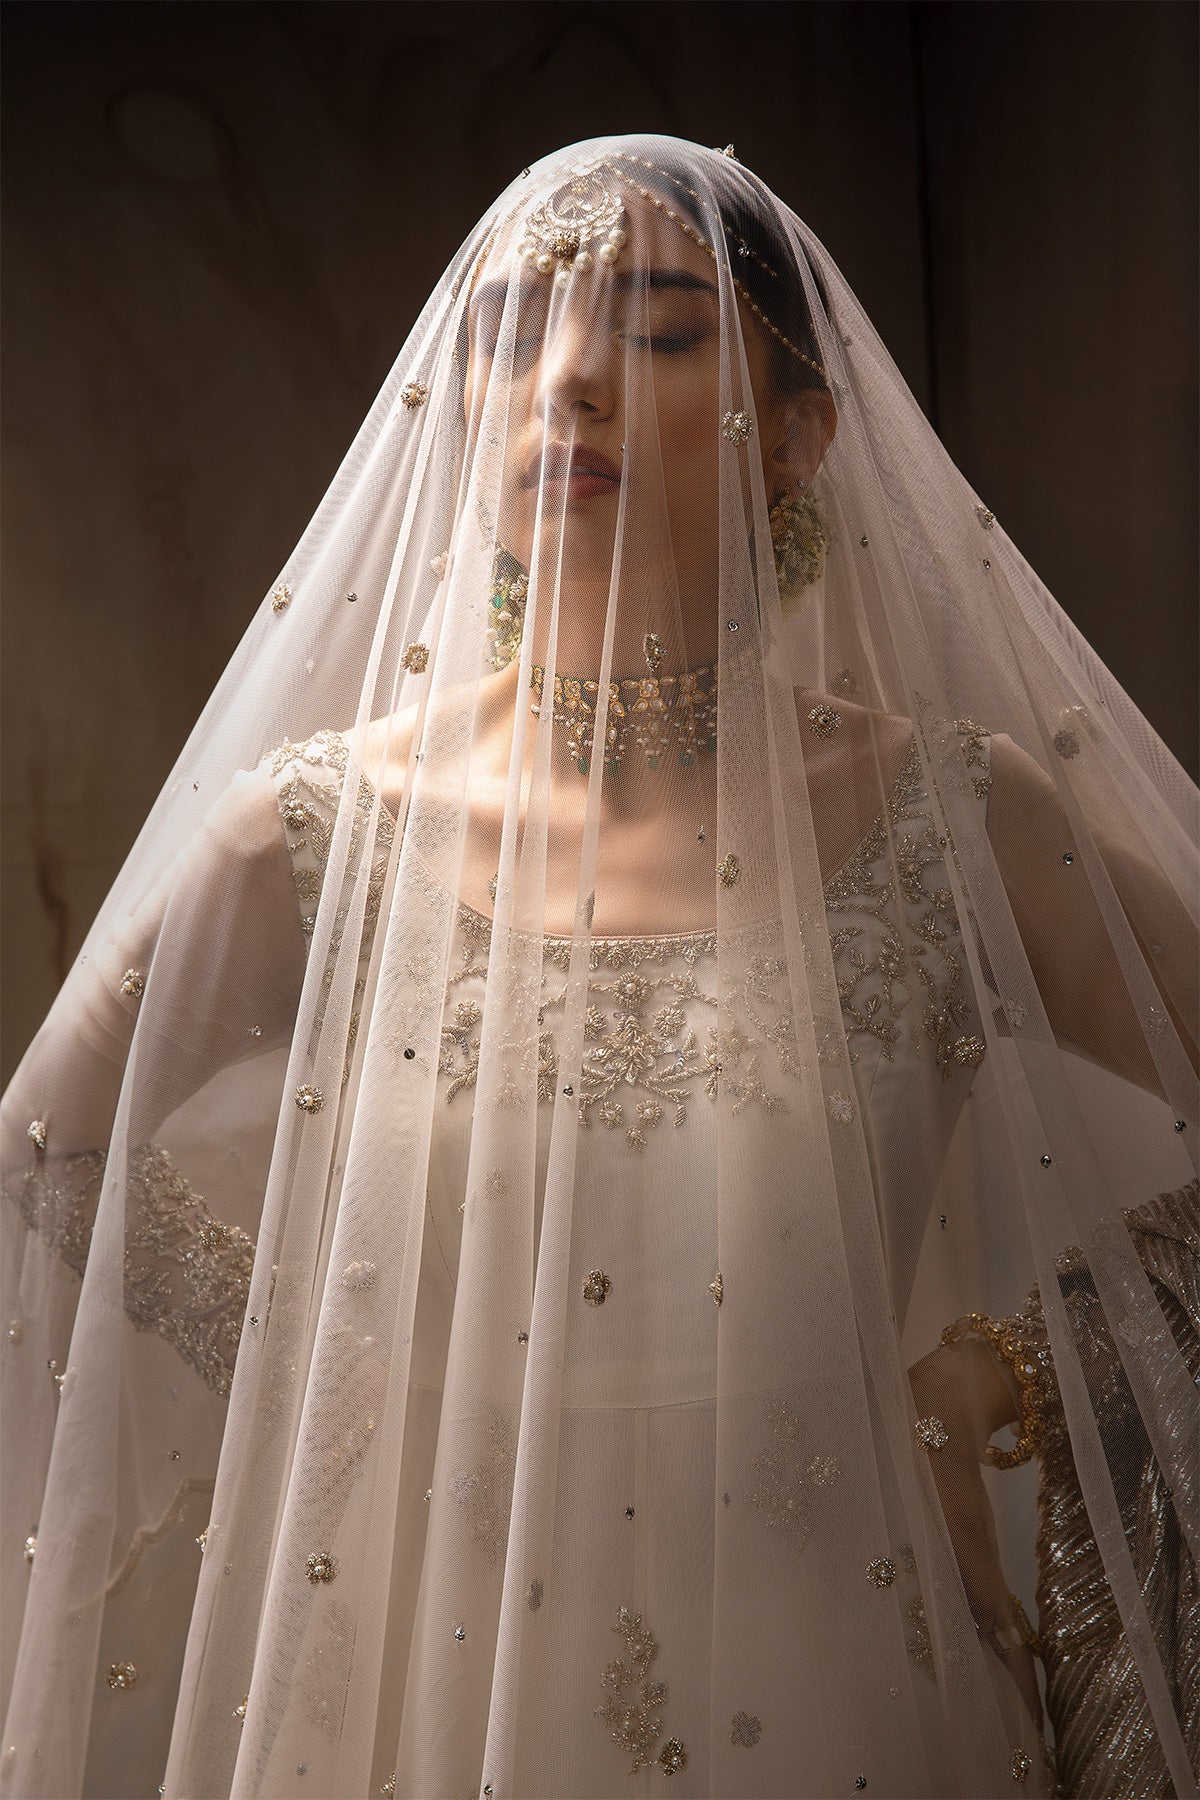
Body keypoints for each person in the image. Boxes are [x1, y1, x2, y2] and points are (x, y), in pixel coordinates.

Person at [1, 132, 1196, 1800]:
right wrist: (322, 1361)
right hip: (420, 1687)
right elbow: (46, 1154)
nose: (563, 380)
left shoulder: (957, 821)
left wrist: (996, 1369)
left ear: (799, 433)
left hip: (857, 1673)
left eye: (654, 327)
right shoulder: (317, 842)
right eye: (506, 332)